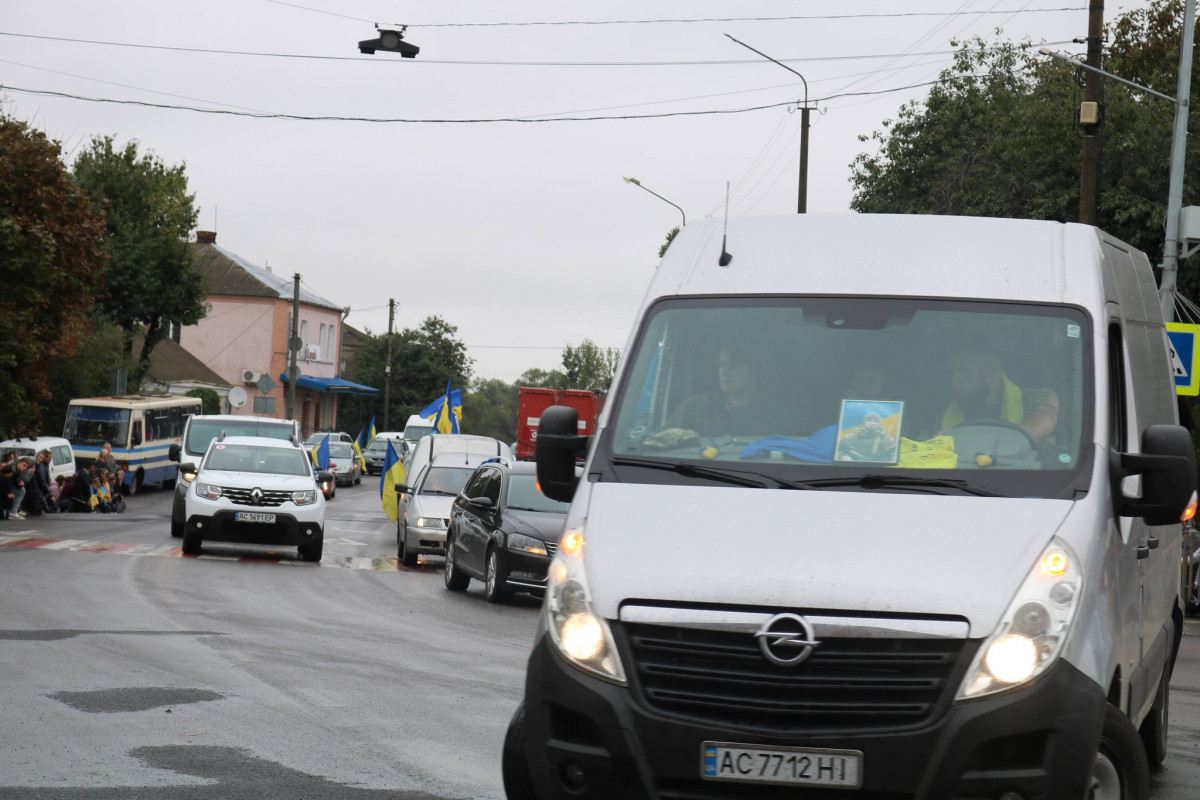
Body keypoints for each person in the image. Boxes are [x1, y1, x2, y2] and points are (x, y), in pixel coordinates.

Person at [939, 350, 1059, 445]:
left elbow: (1038, 427)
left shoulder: (1037, 398)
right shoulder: (952, 411)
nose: (953, 383)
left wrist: (960, 437)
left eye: (962, 371)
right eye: (952, 374)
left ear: (990, 368)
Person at [662, 344, 774, 438]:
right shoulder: (695, 406)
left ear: (756, 373)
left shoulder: (776, 412)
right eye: (721, 365)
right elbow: (661, 446)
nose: (724, 372)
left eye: (735, 366)